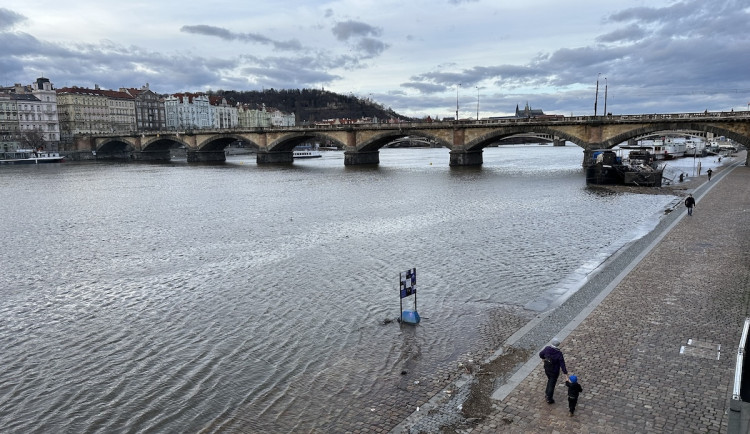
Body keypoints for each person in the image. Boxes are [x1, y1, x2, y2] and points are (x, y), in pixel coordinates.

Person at [539, 338, 568, 404]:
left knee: (550, 380)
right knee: (552, 383)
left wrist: (543, 359)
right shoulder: (558, 353)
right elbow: (562, 364)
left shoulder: (547, 349)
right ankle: (549, 397)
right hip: (554, 371)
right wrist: (565, 373)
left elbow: (541, 354)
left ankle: (547, 392)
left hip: (547, 368)